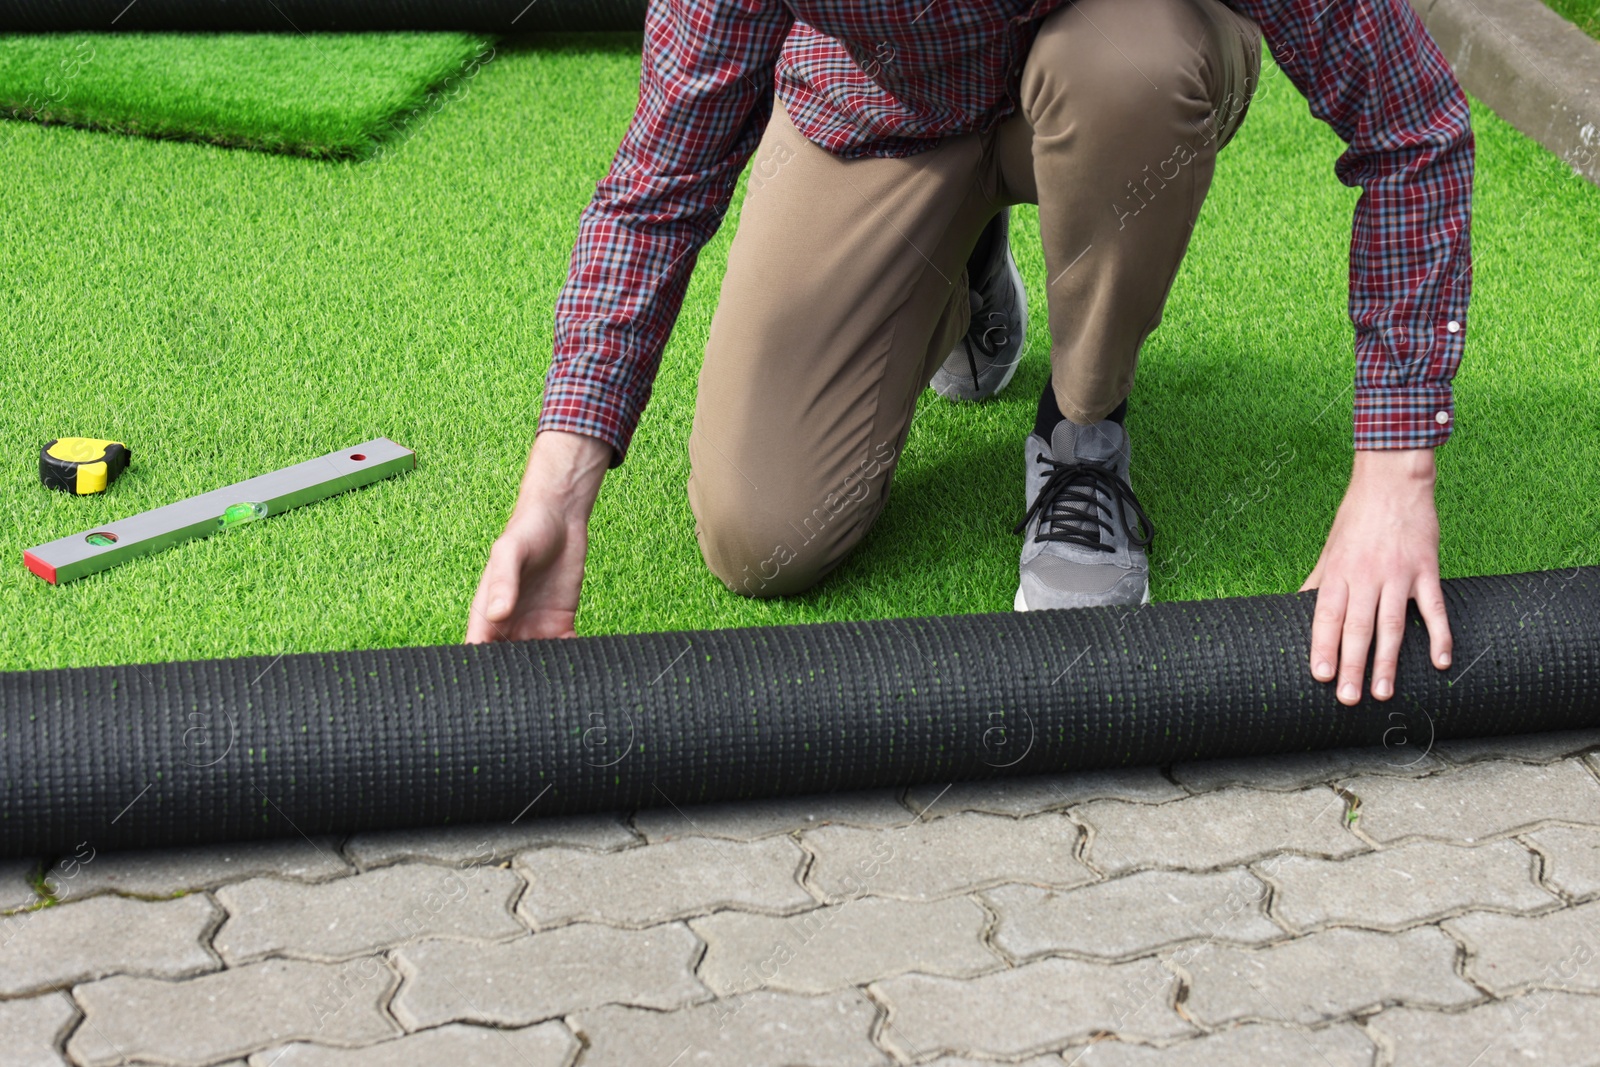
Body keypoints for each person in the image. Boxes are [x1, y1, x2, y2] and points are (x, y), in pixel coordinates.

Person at [467, 0, 1471, 707]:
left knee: (1129, 67)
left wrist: (1394, 475)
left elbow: (1411, 124)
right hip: (886, 115)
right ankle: (956, 269)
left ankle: (1083, 429)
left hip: (1118, 73)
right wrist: (558, 484)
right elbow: (659, 183)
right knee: (762, 535)